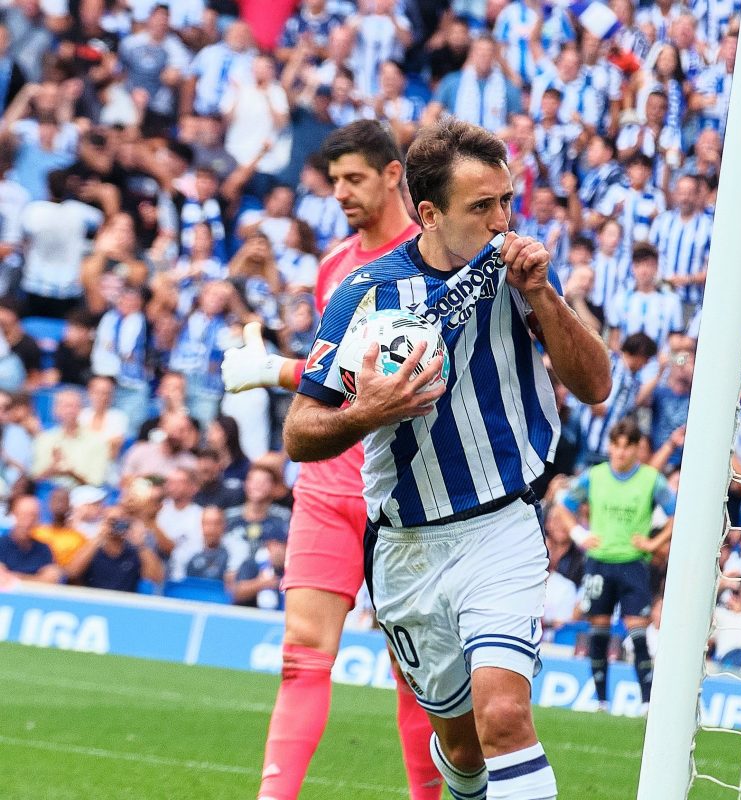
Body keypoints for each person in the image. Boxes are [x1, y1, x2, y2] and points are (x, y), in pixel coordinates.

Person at [282, 118, 610, 800]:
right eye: (480, 207)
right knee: (459, 746)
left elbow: (596, 386)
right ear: (428, 214)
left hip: (502, 528)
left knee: (503, 715)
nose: (501, 221)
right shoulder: (366, 296)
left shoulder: (519, 275)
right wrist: (368, 413)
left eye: (505, 201)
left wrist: (544, 295)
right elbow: (300, 431)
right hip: (406, 549)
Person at [220, 120, 440, 800]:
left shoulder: (434, 263)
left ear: (392, 175)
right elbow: (331, 380)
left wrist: (268, 368)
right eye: (334, 179)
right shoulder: (331, 267)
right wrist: (284, 369)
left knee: (413, 675)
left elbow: (396, 381)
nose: (340, 192)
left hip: (402, 497)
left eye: (354, 179)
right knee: (300, 657)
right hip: (324, 485)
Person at [561, 420, 676, 714]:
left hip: (633, 563)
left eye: (627, 446)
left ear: (637, 449)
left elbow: (678, 512)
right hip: (599, 561)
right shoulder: (594, 476)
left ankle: (647, 701)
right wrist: (579, 534)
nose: (621, 453)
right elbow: (564, 505)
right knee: (597, 629)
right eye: (616, 446)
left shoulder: (651, 480)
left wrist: (653, 544)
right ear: (610, 447)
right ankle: (600, 701)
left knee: (637, 630)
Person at [65, 504, 165, 592]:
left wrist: (140, 544)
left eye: (120, 521)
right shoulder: (93, 549)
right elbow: (72, 573)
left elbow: (157, 577)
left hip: (123, 605)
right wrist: (100, 536)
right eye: (112, 521)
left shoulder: (134, 552)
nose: (116, 526)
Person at [0, 495, 61, 583]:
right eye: (23, 515)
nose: (28, 521)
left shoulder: (43, 549)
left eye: (33, 516)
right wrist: (37, 579)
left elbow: (51, 577)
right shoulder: (1, 545)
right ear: (14, 514)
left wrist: (12, 576)